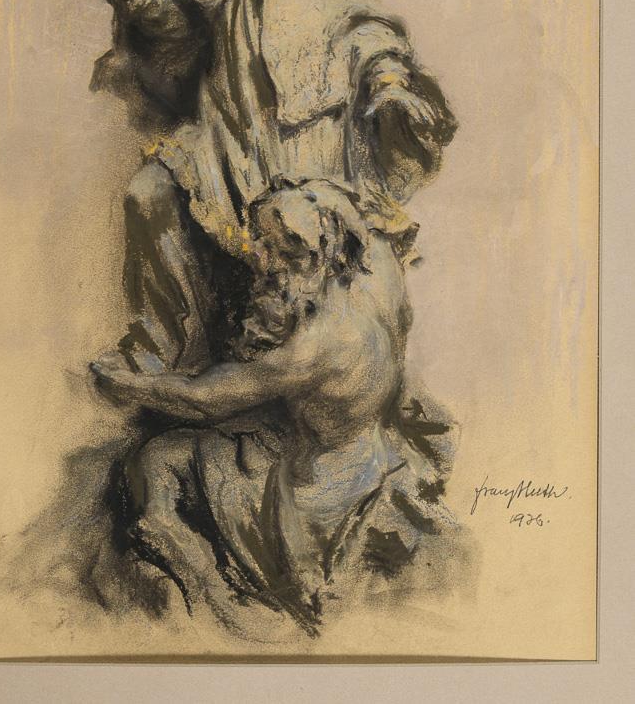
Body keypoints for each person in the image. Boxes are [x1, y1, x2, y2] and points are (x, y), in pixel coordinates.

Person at [44, 0, 457, 376]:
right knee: (148, 195)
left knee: (301, 252)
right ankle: (156, 348)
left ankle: (306, 370)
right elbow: (169, 20)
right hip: (226, 124)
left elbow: (365, 28)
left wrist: (389, 83)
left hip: (304, 135)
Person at [90, 179, 461, 634]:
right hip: (362, 451)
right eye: (263, 245)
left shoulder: (319, 345)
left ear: (320, 254)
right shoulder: (377, 271)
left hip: (321, 486)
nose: (265, 264)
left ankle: (208, 583)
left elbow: (204, 400)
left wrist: (130, 385)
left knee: (155, 461)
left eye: (283, 254)